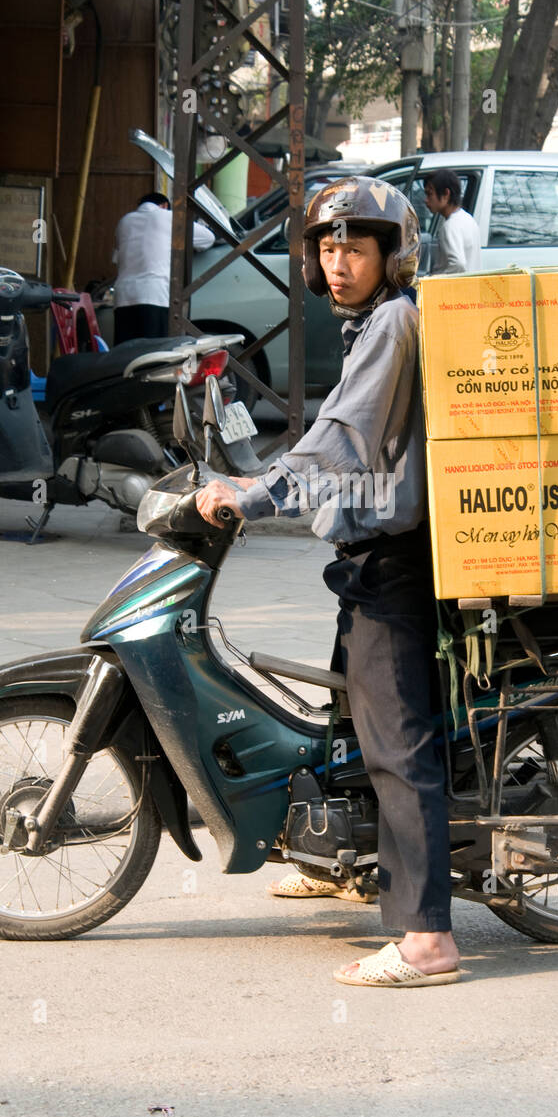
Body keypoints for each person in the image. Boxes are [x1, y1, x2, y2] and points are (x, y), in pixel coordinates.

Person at [194, 177, 461, 988]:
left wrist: (258, 494)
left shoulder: (394, 323)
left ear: (392, 255)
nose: (337, 261)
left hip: (399, 558)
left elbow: (342, 438)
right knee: (346, 718)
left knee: (396, 742)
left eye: (355, 246)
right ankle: (341, 859)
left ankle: (428, 941)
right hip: (368, 555)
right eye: (327, 246)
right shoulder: (369, 323)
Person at [112, 192, 215, 343]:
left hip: (123, 297)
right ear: (165, 206)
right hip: (154, 295)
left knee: (125, 354)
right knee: (153, 356)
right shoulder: (168, 217)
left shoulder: (124, 222)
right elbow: (208, 238)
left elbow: (117, 259)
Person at [423, 169, 481, 275]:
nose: (426, 200)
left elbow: (458, 264)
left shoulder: (450, 226)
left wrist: (434, 280)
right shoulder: (468, 219)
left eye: (429, 194)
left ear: (446, 194)